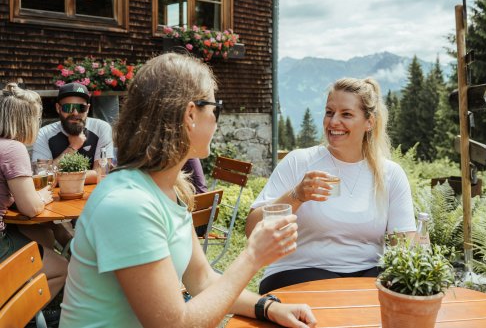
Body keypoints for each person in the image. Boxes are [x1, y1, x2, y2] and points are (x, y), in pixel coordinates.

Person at [59, 53, 316, 328]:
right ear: (191, 114)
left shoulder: (168, 188)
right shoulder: (128, 204)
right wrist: (252, 257)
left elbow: (202, 279)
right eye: (215, 107)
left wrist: (267, 307)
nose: (217, 120)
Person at [245, 77, 416, 294]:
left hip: (369, 276)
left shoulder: (390, 174)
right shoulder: (300, 161)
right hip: (297, 271)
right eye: (329, 112)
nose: (333, 121)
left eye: (346, 114)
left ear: (369, 122)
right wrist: (296, 195)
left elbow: (405, 247)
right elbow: (252, 229)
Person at [0, 83, 69, 322]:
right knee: (61, 267)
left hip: (8, 229)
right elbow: (30, 207)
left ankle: (24, 304)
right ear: (26, 120)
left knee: (44, 235)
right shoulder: (13, 148)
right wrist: (41, 196)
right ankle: (20, 315)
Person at [32, 82, 114, 184]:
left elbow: (101, 173)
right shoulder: (43, 134)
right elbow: (41, 178)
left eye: (81, 108)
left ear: (87, 109)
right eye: (68, 107)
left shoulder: (101, 128)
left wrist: (56, 177)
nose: (75, 113)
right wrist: (72, 147)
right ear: (58, 108)